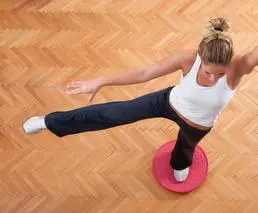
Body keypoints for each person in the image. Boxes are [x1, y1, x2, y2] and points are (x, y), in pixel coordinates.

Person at [22, 17, 257, 182]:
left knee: (184, 153)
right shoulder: (188, 59)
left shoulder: (238, 68)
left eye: (220, 73)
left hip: (198, 125)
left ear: (230, 63)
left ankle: (180, 164)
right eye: (208, 72)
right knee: (113, 114)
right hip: (168, 102)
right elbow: (144, 73)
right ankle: (49, 122)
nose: (214, 78)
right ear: (200, 56)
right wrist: (101, 81)